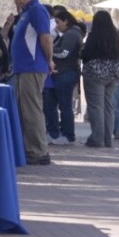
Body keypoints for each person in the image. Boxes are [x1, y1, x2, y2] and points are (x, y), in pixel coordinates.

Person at [7, 0, 55, 165]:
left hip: (32, 68)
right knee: (25, 109)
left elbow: (46, 38)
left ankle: (38, 151)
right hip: (24, 68)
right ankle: (29, 148)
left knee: (32, 109)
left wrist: (49, 59)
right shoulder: (26, 13)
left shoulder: (36, 10)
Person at [81, 10, 119, 148]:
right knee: (108, 106)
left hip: (95, 73)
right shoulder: (115, 36)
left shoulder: (93, 36)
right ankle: (108, 139)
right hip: (113, 73)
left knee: (96, 107)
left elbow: (86, 54)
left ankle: (97, 139)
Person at [45, 8, 83, 145]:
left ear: (66, 21)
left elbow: (63, 53)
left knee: (64, 105)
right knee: (53, 103)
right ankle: (55, 132)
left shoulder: (72, 34)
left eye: (58, 22)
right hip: (61, 74)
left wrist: (48, 50)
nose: (56, 25)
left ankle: (68, 134)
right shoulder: (69, 34)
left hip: (66, 73)